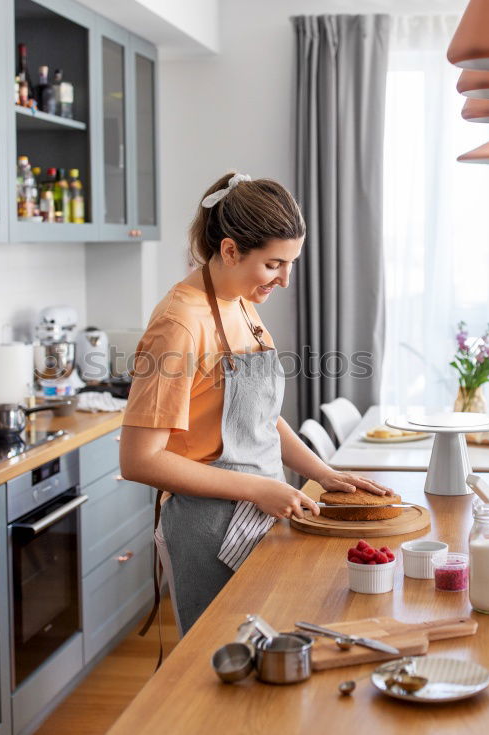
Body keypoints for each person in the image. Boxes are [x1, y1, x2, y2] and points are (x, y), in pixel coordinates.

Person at [119, 172, 393, 633]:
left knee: (266, 658)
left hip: (260, 508)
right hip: (209, 527)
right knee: (219, 667)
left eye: (291, 263)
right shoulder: (180, 325)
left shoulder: (241, 301)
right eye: (273, 265)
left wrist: (321, 472)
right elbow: (138, 460)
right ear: (230, 251)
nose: (285, 280)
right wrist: (257, 489)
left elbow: (259, 417)